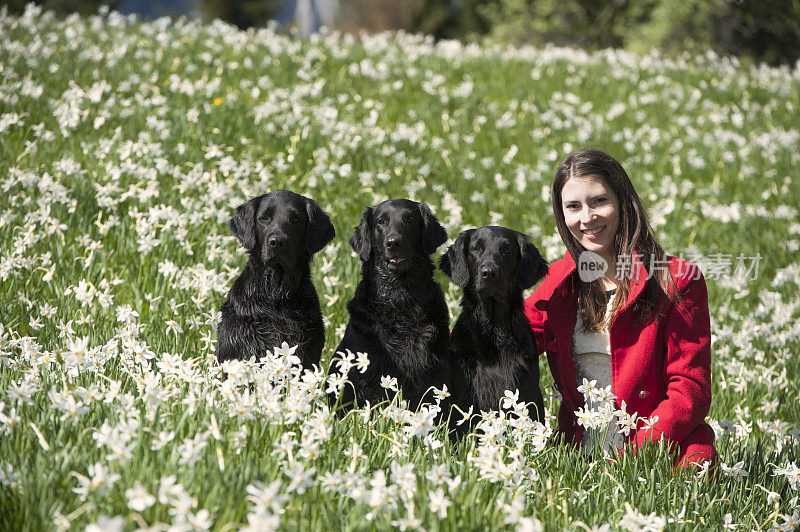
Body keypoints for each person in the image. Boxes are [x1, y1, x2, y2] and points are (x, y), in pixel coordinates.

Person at [524, 148, 717, 468]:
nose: (586, 217)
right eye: (573, 206)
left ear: (623, 201)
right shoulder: (561, 279)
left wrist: (630, 460)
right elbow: (508, 338)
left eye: (599, 201)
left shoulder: (677, 280)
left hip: (659, 455)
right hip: (578, 458)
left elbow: (689, 391)